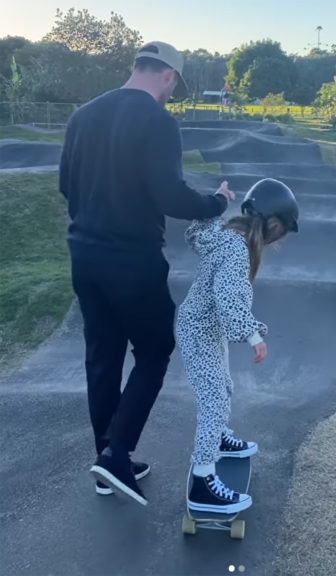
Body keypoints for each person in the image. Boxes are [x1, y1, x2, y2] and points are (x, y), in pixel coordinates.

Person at [60, 41, 234, 506]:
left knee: (102, 356)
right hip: (132, 260)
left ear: (136, 66)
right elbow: (171, 197)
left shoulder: (82, 116)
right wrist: (216, 202)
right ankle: (117, 453)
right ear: (169, 77)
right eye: (173, 85)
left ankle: (106, 463)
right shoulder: (158, 121)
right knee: (156, 349)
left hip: (84, 255)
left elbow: (65, 185)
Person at [177, 178, 299, 514]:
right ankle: (203, 482)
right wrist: (252, 336)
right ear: (273, 226)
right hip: (200, 332)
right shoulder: (236, 249)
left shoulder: (229, 238)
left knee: (223, 387)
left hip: (203, 327)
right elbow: (228, 298)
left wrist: (250, 327)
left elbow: (225, 297)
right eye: (283, 232)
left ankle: (218, 439)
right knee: (213, 400)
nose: (280, 240)